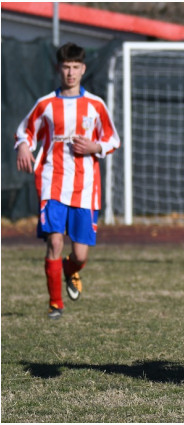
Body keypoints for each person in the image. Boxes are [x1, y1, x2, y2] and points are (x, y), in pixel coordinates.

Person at [14, 42, 121, 320]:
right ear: (58, 69)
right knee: (55, 242)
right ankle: (55, 304)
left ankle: (71, 270)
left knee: (81, 255)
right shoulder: (46, 104)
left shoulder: (96, 105)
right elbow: (25, 131)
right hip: (52, 181)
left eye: (75, 67)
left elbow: (112, 139)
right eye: (66, 67)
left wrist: (94, 148)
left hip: (86, 187)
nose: (70, 73)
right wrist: (24, 146)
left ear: (83, 69)